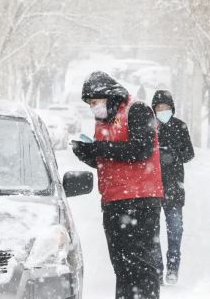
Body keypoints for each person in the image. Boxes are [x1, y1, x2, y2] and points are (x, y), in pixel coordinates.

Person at [72, 71, 164, 299]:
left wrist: (99, 148)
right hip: (113, 200)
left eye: (95, 102)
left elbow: (140, 149)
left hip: (140, 200)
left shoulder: (137, 110)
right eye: (90, 104)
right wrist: (87, 154)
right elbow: (110, 159)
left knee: (141, 266)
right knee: (122, 266)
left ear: (109, 96)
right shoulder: (103, 120)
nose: (94, 107)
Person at [151, 90, 194, 285]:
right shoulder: (148, 127)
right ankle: (157, 270)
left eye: (166, 108)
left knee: (175, 231)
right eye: (159, 108)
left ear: (172, 108)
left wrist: (173, 155)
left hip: (175, 188)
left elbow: (189, 153)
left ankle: (173, 268)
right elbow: (141, 153)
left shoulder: (180, 126)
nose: (163, 111)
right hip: (152, 188)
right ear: (154, 110)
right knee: (153, 233)